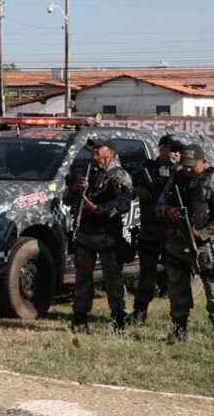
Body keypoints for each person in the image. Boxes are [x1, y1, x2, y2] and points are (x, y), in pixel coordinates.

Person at [156, 143, 214, 346]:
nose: (188, 170)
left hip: (206, 248)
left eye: (192, 166)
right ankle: (179, 332)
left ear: (204, 161)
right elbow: (160, 205)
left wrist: (201, 234)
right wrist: (168, 212)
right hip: (177, 246)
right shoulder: (176, 179)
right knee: (177, 292)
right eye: (185, 165)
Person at [62, 135, 133, 332]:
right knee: (82, 279)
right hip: (85, 236)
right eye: (93, 148)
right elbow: (67, 201)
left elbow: (123, 204)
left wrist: (97, 209)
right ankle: (79, 320)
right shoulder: (87, 173)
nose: (94, 151)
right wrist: (75, 188)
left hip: (108, 236)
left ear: (110, 153)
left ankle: (119, 321)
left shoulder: (119, 176)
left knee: (113, 281)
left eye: (99, 148)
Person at [129, 135, 181, 324]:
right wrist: (137, 190)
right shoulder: (146, 167)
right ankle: (139, 312)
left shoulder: (181, 172)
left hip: (173, 230)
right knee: (147, 274)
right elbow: (127, 186)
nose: (176, 154)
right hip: (150, 228)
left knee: (175, 275)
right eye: (172, 149)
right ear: (161, 148)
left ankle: (179, 318)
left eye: (178, 151)